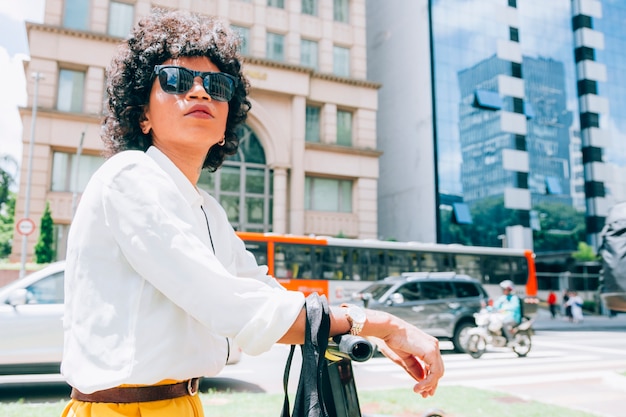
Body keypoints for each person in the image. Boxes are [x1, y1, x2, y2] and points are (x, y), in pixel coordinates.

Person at [60, 9, 444, 417]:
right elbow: (232, 305)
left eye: (216, 85)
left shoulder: (206, 210)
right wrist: (382, 323)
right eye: (175, 80)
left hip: (183, 403)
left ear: (226, 123)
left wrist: (370, 332)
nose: (200, 92)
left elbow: (263, 294)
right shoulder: (129, 176)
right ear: (142, 113)